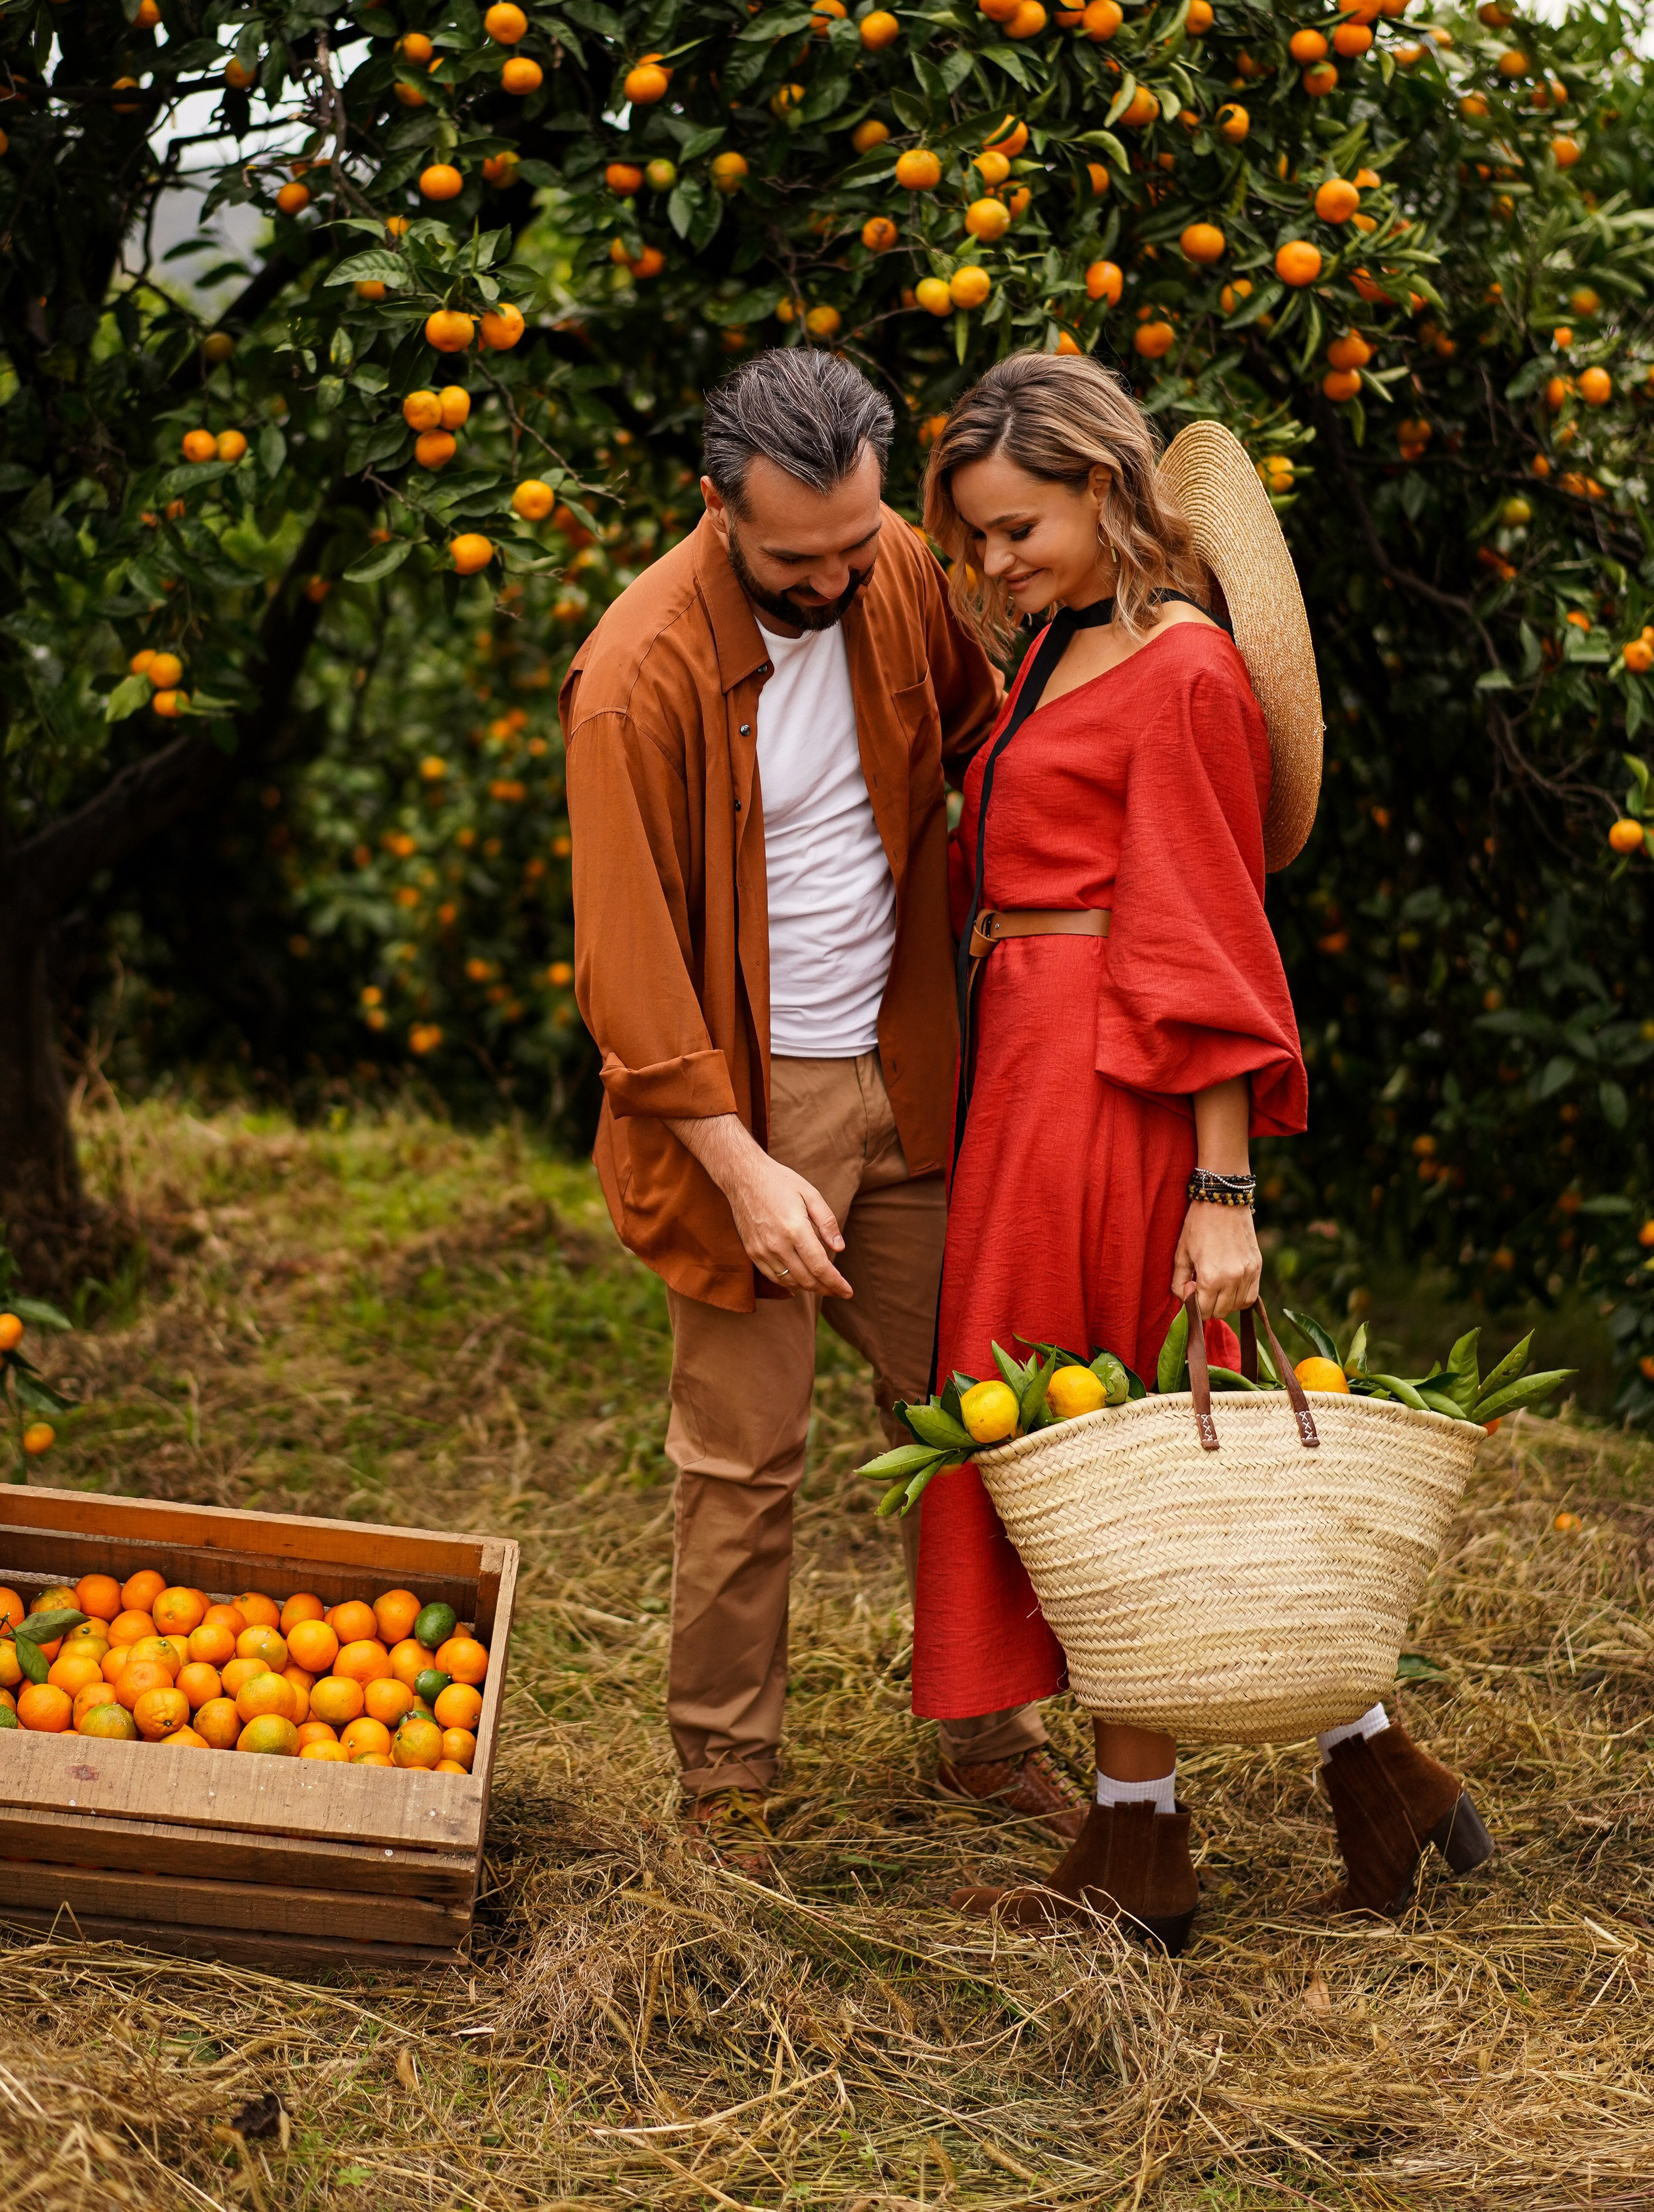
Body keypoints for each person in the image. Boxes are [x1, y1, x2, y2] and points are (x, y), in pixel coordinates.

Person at [910, 353, 1494, 1950]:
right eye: (972, 539)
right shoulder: (1055, 654)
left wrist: (1220, 1189)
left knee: (1110, 1449)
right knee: (1111, 1446)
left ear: (1105, 491)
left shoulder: (1178, 672)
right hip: (1029, 1075)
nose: (993, 563)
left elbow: (1202, 938)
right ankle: (1377, 1784)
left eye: (1016, 528)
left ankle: (1139, 1852)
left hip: (1114, 1089)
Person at [560, 347, 1093, 1871]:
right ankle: (727, 1791)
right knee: (743, 1462)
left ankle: (990, 1737)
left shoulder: (893, 569)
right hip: (739, 1097)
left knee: (984, 1409)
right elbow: (627, 965)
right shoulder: (638, 675)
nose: (835, 579)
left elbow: (986, 745)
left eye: (857, 546)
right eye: (798, 558)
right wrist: (734, 1164)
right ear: (716, 510)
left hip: (907, 1063)